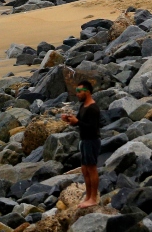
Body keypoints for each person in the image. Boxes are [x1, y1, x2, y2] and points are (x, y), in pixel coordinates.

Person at [61, 79, 101, 208]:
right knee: (84, 169)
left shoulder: (93, 108)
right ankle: (88, 196)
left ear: (87, 92)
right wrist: (69, 120)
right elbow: (79, 121)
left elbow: (93, 127)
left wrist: (77, 122)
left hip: (91, 141)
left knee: (91, 169)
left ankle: (93, 198)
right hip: (84, 141)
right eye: (76, 91)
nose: (77, 94)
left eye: (79, 91)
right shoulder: (83, 106)